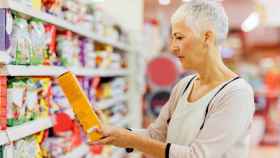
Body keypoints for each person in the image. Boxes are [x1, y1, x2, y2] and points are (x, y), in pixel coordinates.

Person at [90, 1, 255, 158]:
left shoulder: (236, 94)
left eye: (179, 37)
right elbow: (156, 135)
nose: (172, 47)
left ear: (207, 37)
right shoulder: (184, 86)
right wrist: (113, 131)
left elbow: (197, 155)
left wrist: (129, 139)